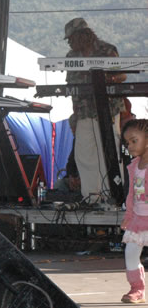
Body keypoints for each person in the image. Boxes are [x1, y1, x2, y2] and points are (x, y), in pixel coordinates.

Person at [64, 17, 126, 204]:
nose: (70, 42)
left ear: (83, 35)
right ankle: (91, 197)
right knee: (84, 154)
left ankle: (113, 195)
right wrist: (74, 116)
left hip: (108, 110)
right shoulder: (71, 57)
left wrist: (111, 80)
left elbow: (122, 75)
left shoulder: (107, 50)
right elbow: (71, 86)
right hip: (83, 111)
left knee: (109, 152)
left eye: (71, 38)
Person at [120, 119, 148, 303]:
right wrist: (128, 215)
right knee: (130, 253)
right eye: (127, 143)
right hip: (139, 219)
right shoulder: (133, 167)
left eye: (133, 140)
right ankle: (137, 289)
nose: (129, 146)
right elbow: (133, 194)